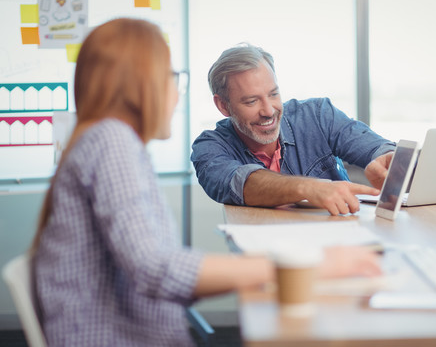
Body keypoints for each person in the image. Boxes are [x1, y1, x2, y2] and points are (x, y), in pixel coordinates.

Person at [31, 19, 382, 346]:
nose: (176, 93)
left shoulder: (102, 141)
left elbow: (155, 265)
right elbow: (157, 270)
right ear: (141, 85)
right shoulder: (113, 144)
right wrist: (313, 264)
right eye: (170, 77)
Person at [191, 44, 396, 216]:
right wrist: (308, 188)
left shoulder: (317, 115)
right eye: (252, 101)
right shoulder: (209, 148)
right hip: (266, 256)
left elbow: (377, 148)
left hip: (340, 245)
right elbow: (239, 183)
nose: (269, 111)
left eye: (273, 94)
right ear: (223, 106)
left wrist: (388, 159)